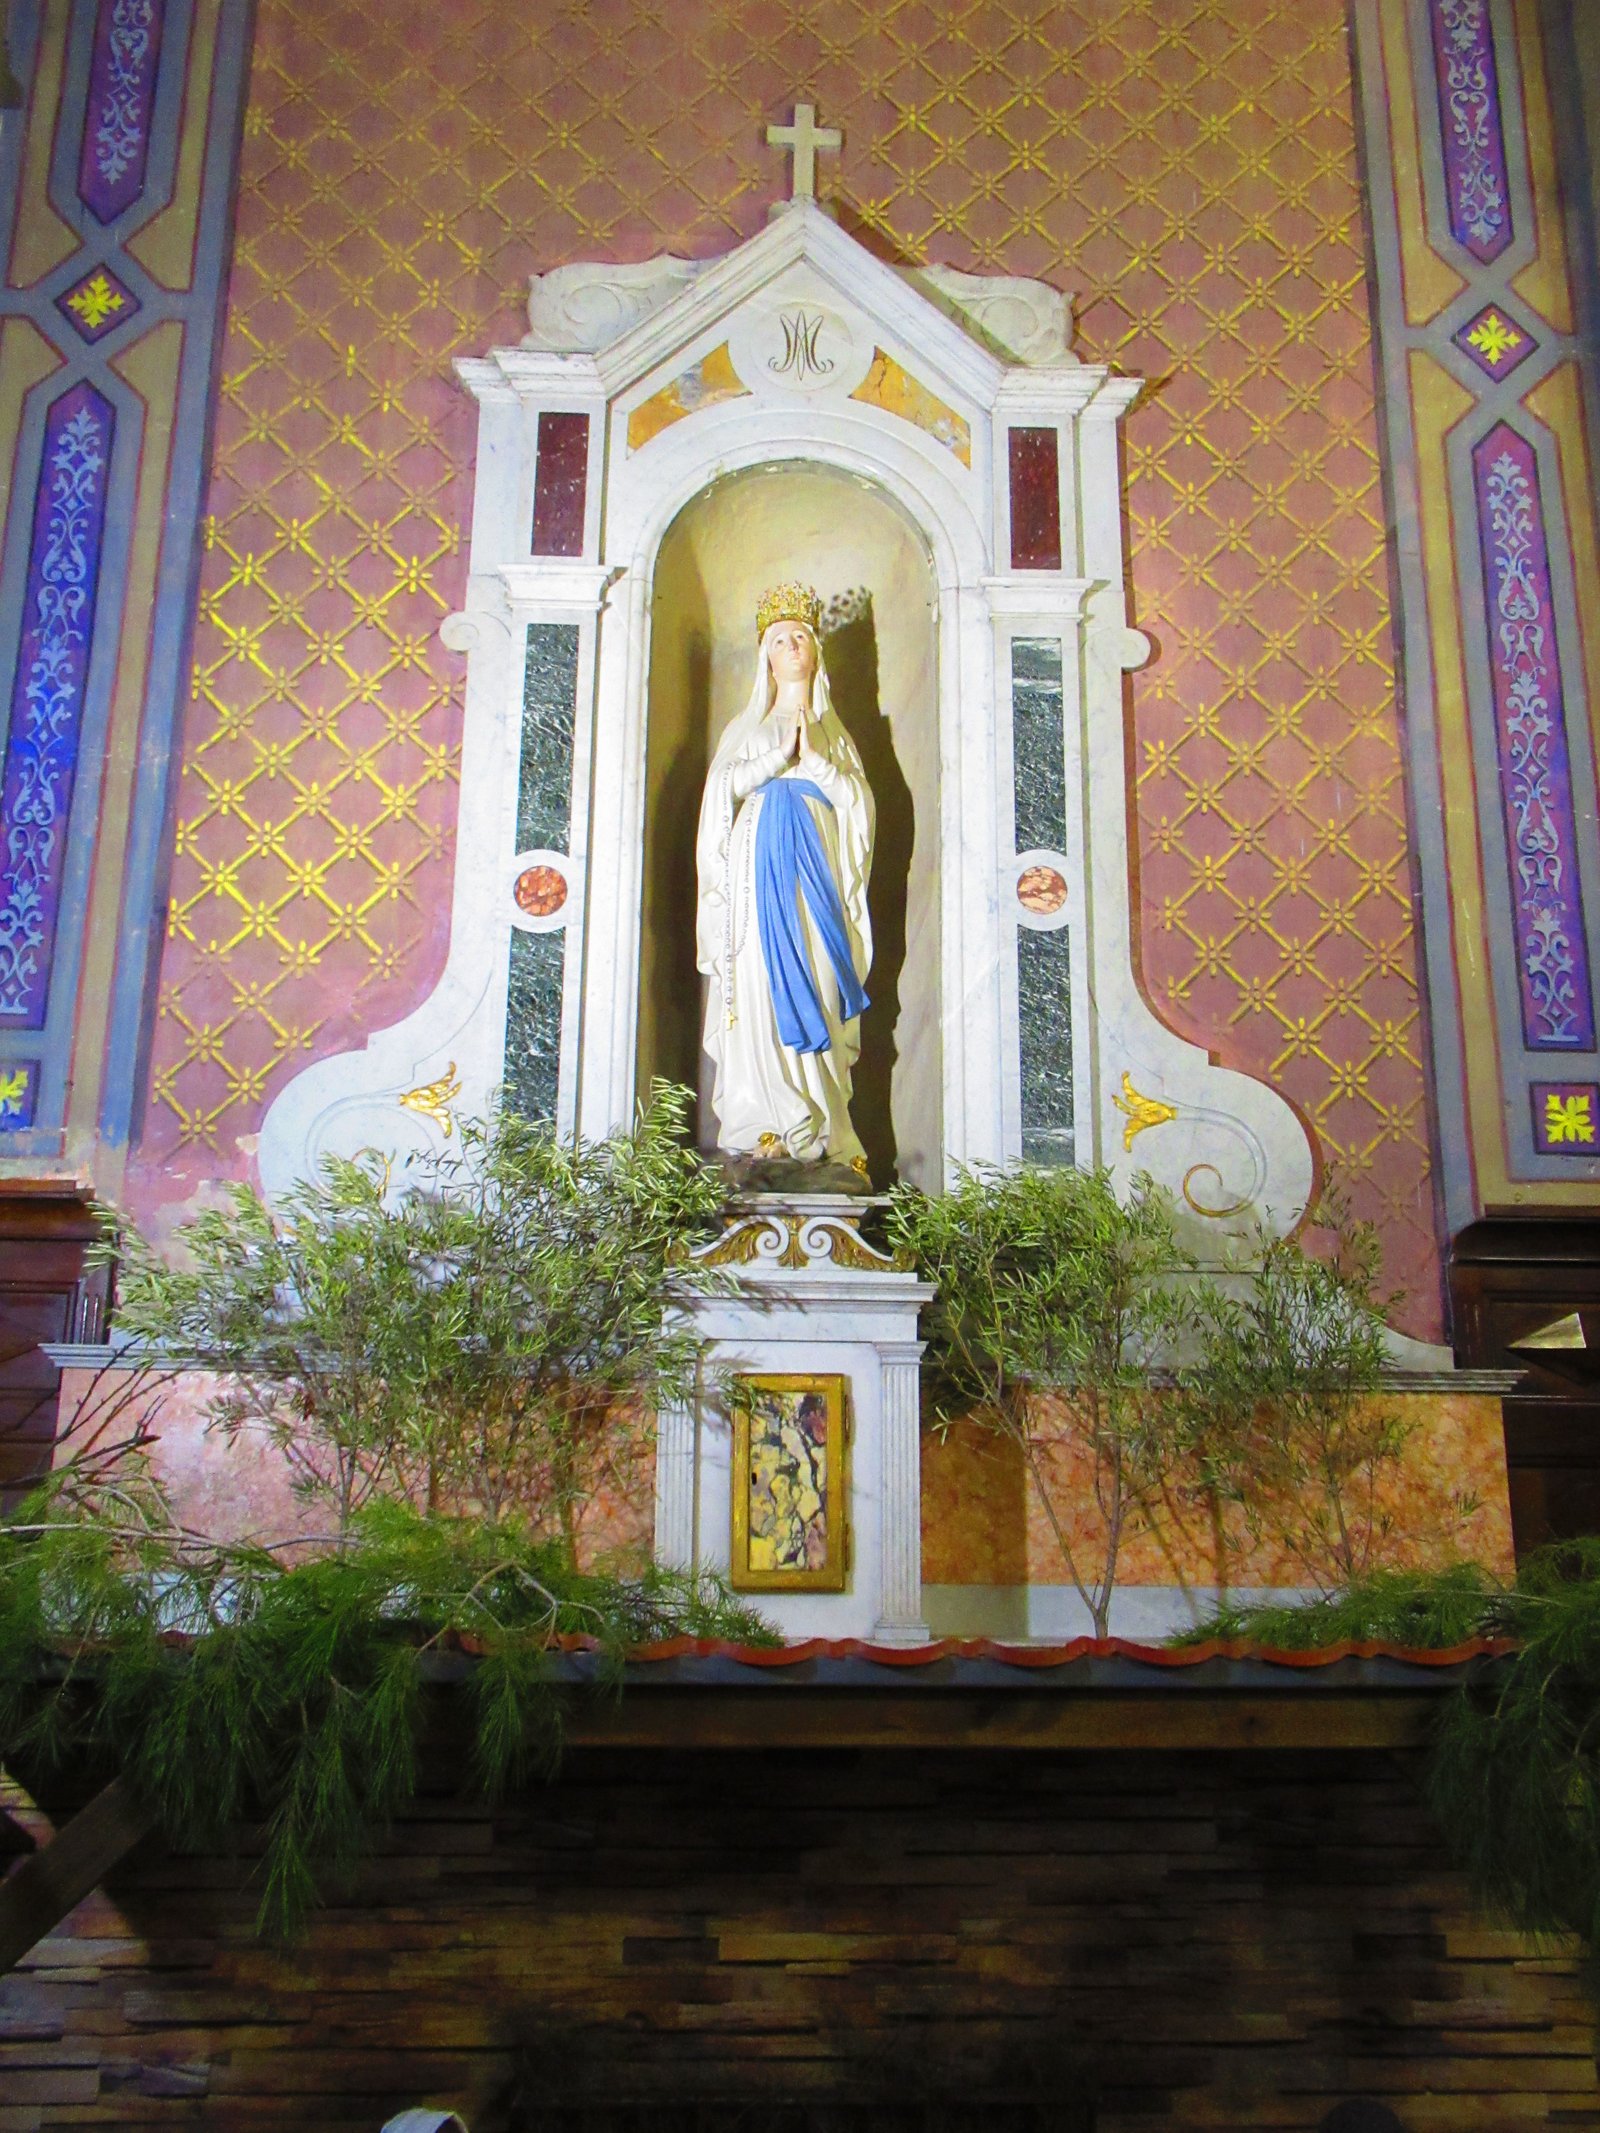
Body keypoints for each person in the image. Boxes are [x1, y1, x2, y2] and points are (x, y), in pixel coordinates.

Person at [694, 582, 874, 1169]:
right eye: (779, 639)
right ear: (765, 658)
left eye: (801, 636)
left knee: (821, 976)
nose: (792, 645)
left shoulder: (835, 735)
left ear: (816, 653)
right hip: (756, 877)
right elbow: (719, 794)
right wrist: (774, 759)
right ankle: (764, 1123)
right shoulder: (745, 729)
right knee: (759, 985)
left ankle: (823, 1123)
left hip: (816, 874)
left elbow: (859, 808)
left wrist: (817, 764)